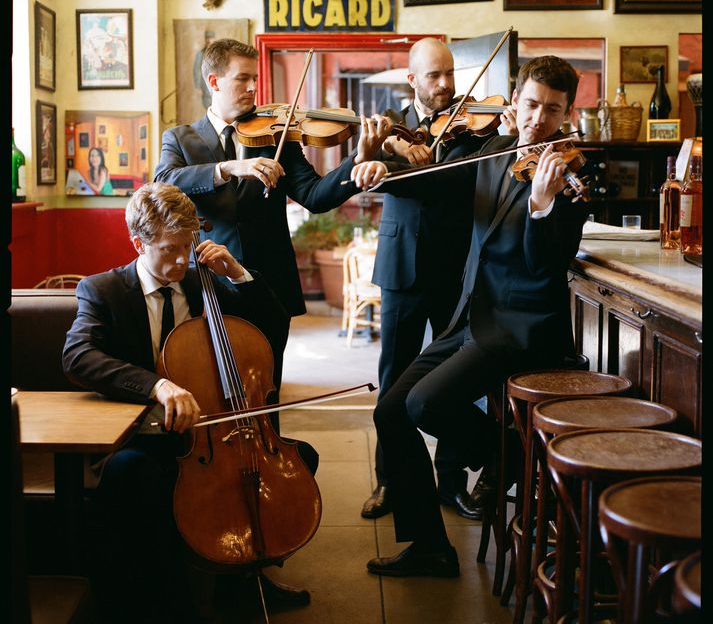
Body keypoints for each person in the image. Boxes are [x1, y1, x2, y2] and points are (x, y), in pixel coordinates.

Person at [350, 55, 589, 577]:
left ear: (568, 110)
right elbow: (435, 183)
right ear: (516, 99)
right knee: (389, 412)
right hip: (471, 314)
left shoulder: (572, 173)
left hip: (520, 327)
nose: (538, 119)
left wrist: (542, 206)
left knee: (423, 404)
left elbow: (545, 265)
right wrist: (382, 174)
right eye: (530, 104)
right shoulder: (497, 148)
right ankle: (431, 547)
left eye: (552, 109)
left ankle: (511, 454)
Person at [62, 182, 318, 624]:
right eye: (168, 249)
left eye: (188, 245)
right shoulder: (103, 291)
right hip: (148, 436)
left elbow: (273, 329)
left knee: (297, 461)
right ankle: (163, 600)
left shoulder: (204, 284)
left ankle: (243, 578)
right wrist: (156, 386)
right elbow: (78, 356)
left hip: (214, 434)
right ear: (138, 243)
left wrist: (238, 272)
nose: (182, 259)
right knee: (133, 475)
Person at [154, 38, 389, 409]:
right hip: (209, 284)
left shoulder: (275, 135)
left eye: (255, 79)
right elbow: (163, 180)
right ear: (214, 82)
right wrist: (229, 168)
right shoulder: (181, 138)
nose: (253, 88)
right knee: (211, 389)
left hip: (268, 285)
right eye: (243, 79)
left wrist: (357, 160)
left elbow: (315, 195)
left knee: (266, 389)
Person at [361, 37, 517, 522]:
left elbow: (473, 176)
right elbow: (376, 174)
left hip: (457, 269)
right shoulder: (389, 125)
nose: (446, 84)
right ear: (413, 80)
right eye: (434, 76)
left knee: (455, 382)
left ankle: (451, 481)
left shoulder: (473, 129)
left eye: (450, 73)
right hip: (402, 266)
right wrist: (384, 150)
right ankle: (393, 481)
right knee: (393, 380)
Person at [193, 29, 217, 109]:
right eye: (208, 38)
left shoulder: (217, 52)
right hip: (205, 83)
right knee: (208, 103)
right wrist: (198, 86)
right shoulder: (201, 53)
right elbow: (197, 70)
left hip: (217, 82)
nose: (210, 40)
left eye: (212, 38)